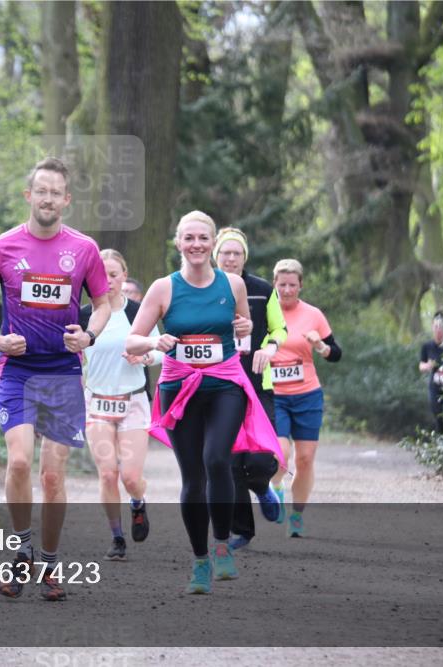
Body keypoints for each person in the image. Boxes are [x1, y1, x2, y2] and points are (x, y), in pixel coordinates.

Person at [0, 157, 110, 601]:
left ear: (66, 200)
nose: (47, 199)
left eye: (56, 192)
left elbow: (104, 304)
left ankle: (49, 561)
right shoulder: (2, 247)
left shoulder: (83, 249)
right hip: (19, 371)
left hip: (63, 373)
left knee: (52, 475)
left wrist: (87, 335)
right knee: (21, 462)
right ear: (29, 196)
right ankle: (22, 547)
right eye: (40, 190)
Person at [126, 211, 283, 594]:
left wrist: (245, 328)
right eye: (189, 238)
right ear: (178, 243)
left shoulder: (233, 285)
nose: (197, 244)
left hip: (224, 383)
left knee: (218, 460)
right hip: (180, 388)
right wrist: (153, 342)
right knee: (193, 476)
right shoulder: (164, 288)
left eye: (203, 238)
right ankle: (199, 561)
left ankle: (221, 544)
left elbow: (243, 329)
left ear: (213, 243)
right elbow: (132, 341)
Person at [78, 250, 162, 561]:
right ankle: (116, 536)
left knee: (130, 476)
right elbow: (74, 355)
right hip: (97, 402)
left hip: (134, 401)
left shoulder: (138, 313)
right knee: (107, 474)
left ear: (124, 276)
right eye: (102, 274)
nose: (108, 280)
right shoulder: (84, 314)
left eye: (114, 274)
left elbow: (161, 349)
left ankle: (138, 503)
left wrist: (146, 357)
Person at [213, 227, 287, 550]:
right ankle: (241, 530)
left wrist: (269, 348)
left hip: (257, 384)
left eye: (236, 253)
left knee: (257, 458)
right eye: (225, 253)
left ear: (245, 257)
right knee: (229, 461)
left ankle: (262, 486)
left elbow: (280, 328)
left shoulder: (259, 289)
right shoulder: (202, 288)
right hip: (218, 385)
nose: (231, 259)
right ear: (216, 256)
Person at [268, 259, 341, 538]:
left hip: (307, 394)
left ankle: (296, 515)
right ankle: (275, 487)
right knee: (279, 456)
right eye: (282, 284)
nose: (287, 290)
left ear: (300, 286)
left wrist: (320, 346)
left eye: (292, 285)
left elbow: (336, 353)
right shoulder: (265, 313)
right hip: (274, 395)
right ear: (275, 284)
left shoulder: (313, 314)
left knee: (306, 459)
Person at [419, 312, 443, 434]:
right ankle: (441, 442)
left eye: (441, 326)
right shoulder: (427, 346)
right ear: (432, 327)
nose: (438, 329)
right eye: (436, 326)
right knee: (438, 414)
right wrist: (428, 365)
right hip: (435, 385)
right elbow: (421, 365)